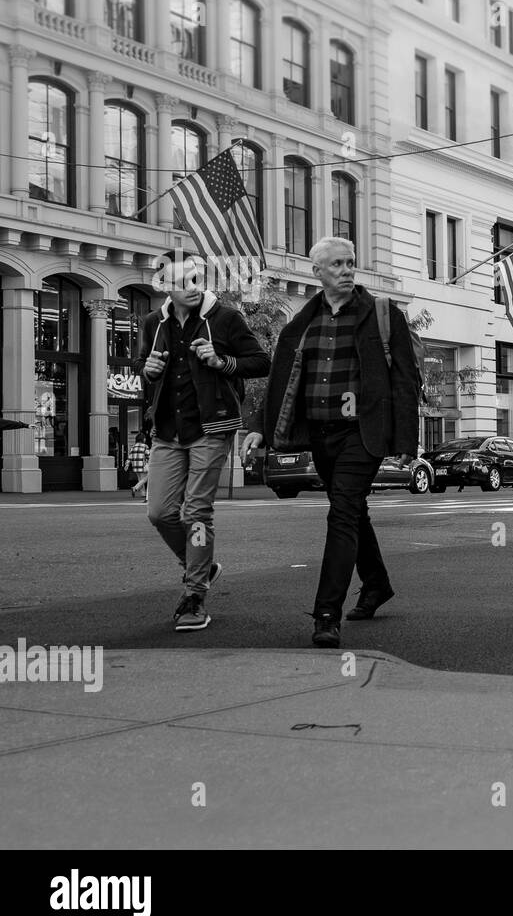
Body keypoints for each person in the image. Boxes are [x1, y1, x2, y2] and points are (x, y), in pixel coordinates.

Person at [242, 237, 420, 648]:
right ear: (316, 271)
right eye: (337, 263)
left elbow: (406, 379)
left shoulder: (381, 314)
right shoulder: (303, 322)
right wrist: (260, 425)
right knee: (353, 511)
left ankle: (326, 614)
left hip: (363, 434)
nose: (346, 269)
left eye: (351, 262)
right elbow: (282, 381)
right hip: (321, 435)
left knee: (341, 513)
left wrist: (407, 439)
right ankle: (376, 585)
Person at [136, 254, 270, 631]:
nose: (193, 288)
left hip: (212, 429)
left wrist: (222, 361)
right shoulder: (152, 323)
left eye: (196, 279)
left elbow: (261, 362)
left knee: (195, 512)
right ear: (165, 286)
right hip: (166, 432)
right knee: (160, 513)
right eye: (183, 282)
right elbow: (141, 365)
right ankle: (203, 564)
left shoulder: (225, 318)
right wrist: (146, 369)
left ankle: (194, 594)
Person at [126, 430, 151, 498]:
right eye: (144, 438)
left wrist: (127, 465)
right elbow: (148, 456)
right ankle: (135, 487)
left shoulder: (133, 447)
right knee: (146, 478)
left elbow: (130, 457)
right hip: (143, 466)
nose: (145, 439)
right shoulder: (145, 446)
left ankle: (143, 494)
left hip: (135, 466)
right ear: (143, 439)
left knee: (140, 479)